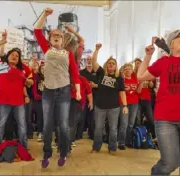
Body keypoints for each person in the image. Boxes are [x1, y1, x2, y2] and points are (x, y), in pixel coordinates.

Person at [137, 26, 180, 175]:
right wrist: (148, 56)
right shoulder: (164, 61)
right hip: (165, 119)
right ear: (171, 44)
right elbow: (140, 76)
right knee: (170, 162)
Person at [34, 8, 81, 168]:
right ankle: (47, 154)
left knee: (63, 124)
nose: (56, 36)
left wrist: (79, 92)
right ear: (49, 39)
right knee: (47, 124)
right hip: (48, 90)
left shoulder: (68, 54)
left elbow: (75, 73)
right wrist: (45, 15)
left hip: (64, 91)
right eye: (54, 35)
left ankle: (63, 152)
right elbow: (37, 30)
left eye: (59, 35)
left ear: (62, 40)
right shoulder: (46, 49)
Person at [91, 44, 128, 154]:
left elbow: (122, 92)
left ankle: (112, 148)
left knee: (113, 129)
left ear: (116, 66)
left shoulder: (119, 78)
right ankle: (96, 147)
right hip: (100, 107)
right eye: (109, 63)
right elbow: (93, 62)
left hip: (114, 108)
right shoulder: (101, 73)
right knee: (98, 128)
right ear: (106, 65)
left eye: (113, 63)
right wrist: (97, 49)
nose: (111, 65)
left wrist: (125, 106)